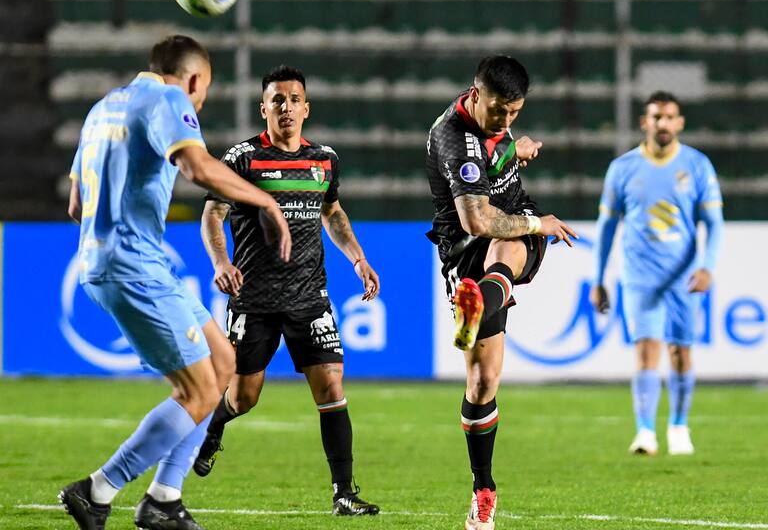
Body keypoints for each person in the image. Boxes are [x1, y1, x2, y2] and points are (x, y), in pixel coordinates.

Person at [58, 35, 291, 530]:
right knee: (198, 390)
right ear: (192, 80)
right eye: (202, 91)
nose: (199, 103)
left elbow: (76, 205)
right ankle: (98, 491)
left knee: (223, 361)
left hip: (116, 262)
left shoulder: (103, 108)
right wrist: (266, 202)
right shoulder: (167, 99)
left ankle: (164, 498)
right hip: (134, 267)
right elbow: (195, 164)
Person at [194, 65, 381, 516]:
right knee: (244, 397)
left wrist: (357, 257)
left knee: (331, 385)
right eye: (277, 100)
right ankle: (215, 427)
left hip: (308, 297)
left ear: (306, 108)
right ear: (264, 108)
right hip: (254, 297)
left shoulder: (324, 160)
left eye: (294, 99)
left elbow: (332, 213)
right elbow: (212, 215)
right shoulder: (242, 159)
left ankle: (343, 492)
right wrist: (221, 262)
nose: (286, 107)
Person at [425, 55, 576, 530]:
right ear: (475, 94)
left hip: (504, 242)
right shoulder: (454, 139)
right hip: (468, 247)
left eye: (516, 112)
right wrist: (541, 223)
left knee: (507, 248)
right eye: (499, 112)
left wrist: (516, 149)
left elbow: (497, 157)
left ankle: (477, 302)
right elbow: (476, 220)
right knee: (483, 384)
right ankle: (483, 487)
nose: (507, 120)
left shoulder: (497, 123)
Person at [590, 91, 723, 457]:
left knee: (681, 351)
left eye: (669, 117)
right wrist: (599, 278)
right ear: (644, 122)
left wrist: (707, 266)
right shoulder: (623, 168)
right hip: (640, 275)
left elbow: (714, 223)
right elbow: (606, 227)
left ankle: (679, 426)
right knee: (647, 350)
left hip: (682, 276)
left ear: (679, 123)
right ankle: (645, 432)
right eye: (655, 117)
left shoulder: (697, 166)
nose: (662, 124)